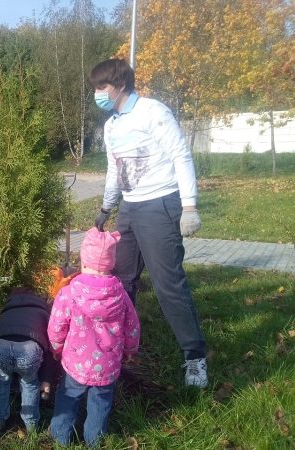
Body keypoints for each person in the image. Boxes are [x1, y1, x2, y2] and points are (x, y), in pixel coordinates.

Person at [89, 58, 208, 388]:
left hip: (161, 204)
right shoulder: (111, 125)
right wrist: (106, 207)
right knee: (120, 280)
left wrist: (189, 206)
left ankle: (195, 357)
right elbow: (115, 170)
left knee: (168, 284)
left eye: (102, 87)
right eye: (95, 88)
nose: (98, 94)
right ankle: (120, 345)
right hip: (129, 207)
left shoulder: (153, 112)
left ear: (121, 85)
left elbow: (180, 155)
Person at [48, 228, 140, 447]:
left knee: (68, 397)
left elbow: (57, 324)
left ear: (83, 261)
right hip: (108, 366)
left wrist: (56, 346)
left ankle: (60, 437)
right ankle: (94, 440)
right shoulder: (121, 294)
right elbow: (132, 326)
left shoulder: (69, 293)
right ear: (111, 263)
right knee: (100, 403)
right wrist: (130, 350)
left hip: (75, 364)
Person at [0, 288, 56, 432]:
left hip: (1, 345)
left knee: (1, 381)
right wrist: (46, 379)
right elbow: (51, 348)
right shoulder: (43, 312)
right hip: (29, 348)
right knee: (29, 382)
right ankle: (31, 425)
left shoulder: (6, 309)